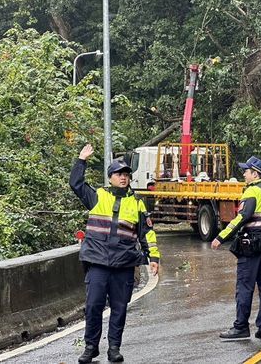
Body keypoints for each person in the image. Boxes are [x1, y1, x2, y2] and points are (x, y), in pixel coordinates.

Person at [70, 144, 160, 363]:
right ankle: (91, 347)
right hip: (98, 263)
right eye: (119, 174)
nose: (123, 178)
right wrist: (81, 160)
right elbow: (76, 184)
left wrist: (154, 258)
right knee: (93, 307)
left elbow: (146, 233)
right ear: (110, 177)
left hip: (124, 264)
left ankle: (114, 348)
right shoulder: (98, 196)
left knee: (119, 309)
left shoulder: (137, 203)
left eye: (126, 175)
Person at [211, 156, 261, 341]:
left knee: (244, 286)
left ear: (255, 173)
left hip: (252, 246)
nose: (243, 174)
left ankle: (241, 328)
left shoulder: (252, 191)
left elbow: (242, 217)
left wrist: (221, 237)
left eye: (246, 171)